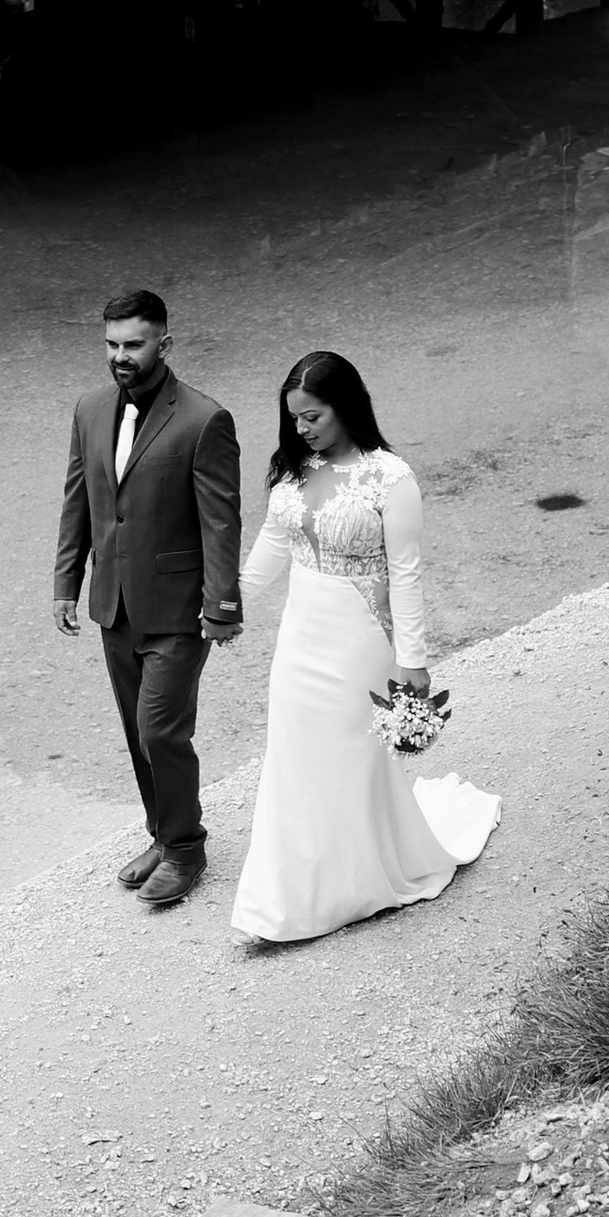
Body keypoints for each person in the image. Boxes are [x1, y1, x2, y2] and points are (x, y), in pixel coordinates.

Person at [230, 348, 498, 947]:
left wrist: (413, 660)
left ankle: (356, 882)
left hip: (359, 639)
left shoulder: (391, 478)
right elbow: (273, 543)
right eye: (294, 418)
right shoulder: (293, 469)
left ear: (346, 408)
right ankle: (288, 894)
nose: (302, 429)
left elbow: (406, 573)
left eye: (313, 417)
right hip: (300, 635)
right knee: (293, 754)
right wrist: (229, 604)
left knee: (350, 756)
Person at [53, 285, 243, 911]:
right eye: (111, 344)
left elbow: (220, 522)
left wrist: (222, 605)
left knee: (160, 730)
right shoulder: (89, 409)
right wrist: (66, 584)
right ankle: (162, 836)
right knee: (137, 734)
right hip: (114, 604)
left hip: (180, 610)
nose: (120, 356)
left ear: (165, 343)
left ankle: (187, 848)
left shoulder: (204, 419)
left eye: (133, 344)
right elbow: (79, 500)